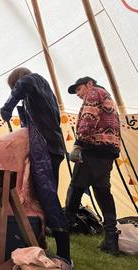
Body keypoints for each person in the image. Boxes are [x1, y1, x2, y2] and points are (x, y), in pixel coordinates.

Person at [0, 67, 72, 267]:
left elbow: (25, 83)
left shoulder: (35, 80)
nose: (16, 91)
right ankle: (40, 240)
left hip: (47, 150)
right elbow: (28, 127)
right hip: (48, 150)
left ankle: (65, 255)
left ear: (17, 82)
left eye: (14, 87)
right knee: (41, 198)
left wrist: (8, 106)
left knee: (49, 198)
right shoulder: (35, 98)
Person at [65, 76, 120, 255]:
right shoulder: (107, 97)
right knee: (103, 192)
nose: (79, 94)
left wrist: (79, 143)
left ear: (89, 84)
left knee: (76, 188)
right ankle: (111, 239)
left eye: (79, 89)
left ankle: (63, 229)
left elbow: (88, 119)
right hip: (108, 151)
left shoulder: (94, 93)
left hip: (92, 150)